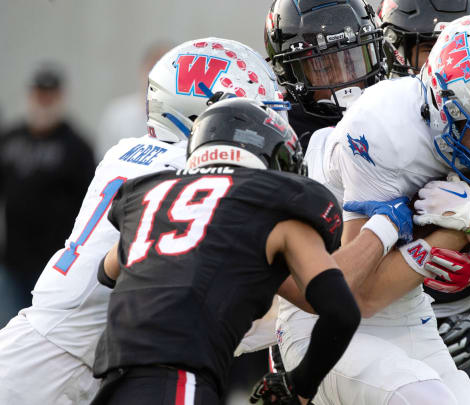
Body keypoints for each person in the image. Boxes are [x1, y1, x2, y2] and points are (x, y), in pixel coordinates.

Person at [275, 14, 470, 405]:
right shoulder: (383, 128)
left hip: (407, 308)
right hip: (323, 318)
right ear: (442, 104)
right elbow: (357, 299)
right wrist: (455, 230)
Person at [0, 38, 287, 405]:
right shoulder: (188, 173)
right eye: (250, 114)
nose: (265, 128)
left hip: (58, 347)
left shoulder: (128, 152)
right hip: (60, 365)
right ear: (203, 113)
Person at [90, 98, 363, 405]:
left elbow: (108, 271)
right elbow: (341, 311)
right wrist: (300, 385)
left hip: (112, 381)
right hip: (178, 375)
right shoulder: (276, 207)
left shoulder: (152, 196)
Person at [378, 2, 470, 404]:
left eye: (459, 48)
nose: (447, 62)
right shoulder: (371, 128)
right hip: (386, 336)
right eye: (430, 48)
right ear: (394, 50)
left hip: (461, 327)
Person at [0, 65, 96, 311]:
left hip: (53, 264)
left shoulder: (76, 146)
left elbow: (90, 205)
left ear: (60, 97)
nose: (44, 101)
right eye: (39, 94)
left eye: (50, 95)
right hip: (11, 260)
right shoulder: (11, 139)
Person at [265, 0, 385, 150]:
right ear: (289, 74)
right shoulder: (281, 133)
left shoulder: (397, 109)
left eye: (353, 62)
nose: (344, 79)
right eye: (324, 68)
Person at [94, 42, 172, 160]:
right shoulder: (117, 115)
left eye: (166, 70)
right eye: (152, 68)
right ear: (141, 70)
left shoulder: (187, 118)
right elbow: (104, 160)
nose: (158, 76)